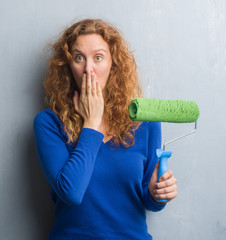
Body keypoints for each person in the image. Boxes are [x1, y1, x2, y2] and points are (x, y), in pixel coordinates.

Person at [33, 19, 178, 239]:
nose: (88, 70)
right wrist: (91, 123)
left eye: (98, 58)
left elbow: (149, 202)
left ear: (113, 64)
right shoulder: (49, 123)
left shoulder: (145, 122)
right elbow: (71, 193)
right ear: (68, 64)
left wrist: (158, 193)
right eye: (79, 58)